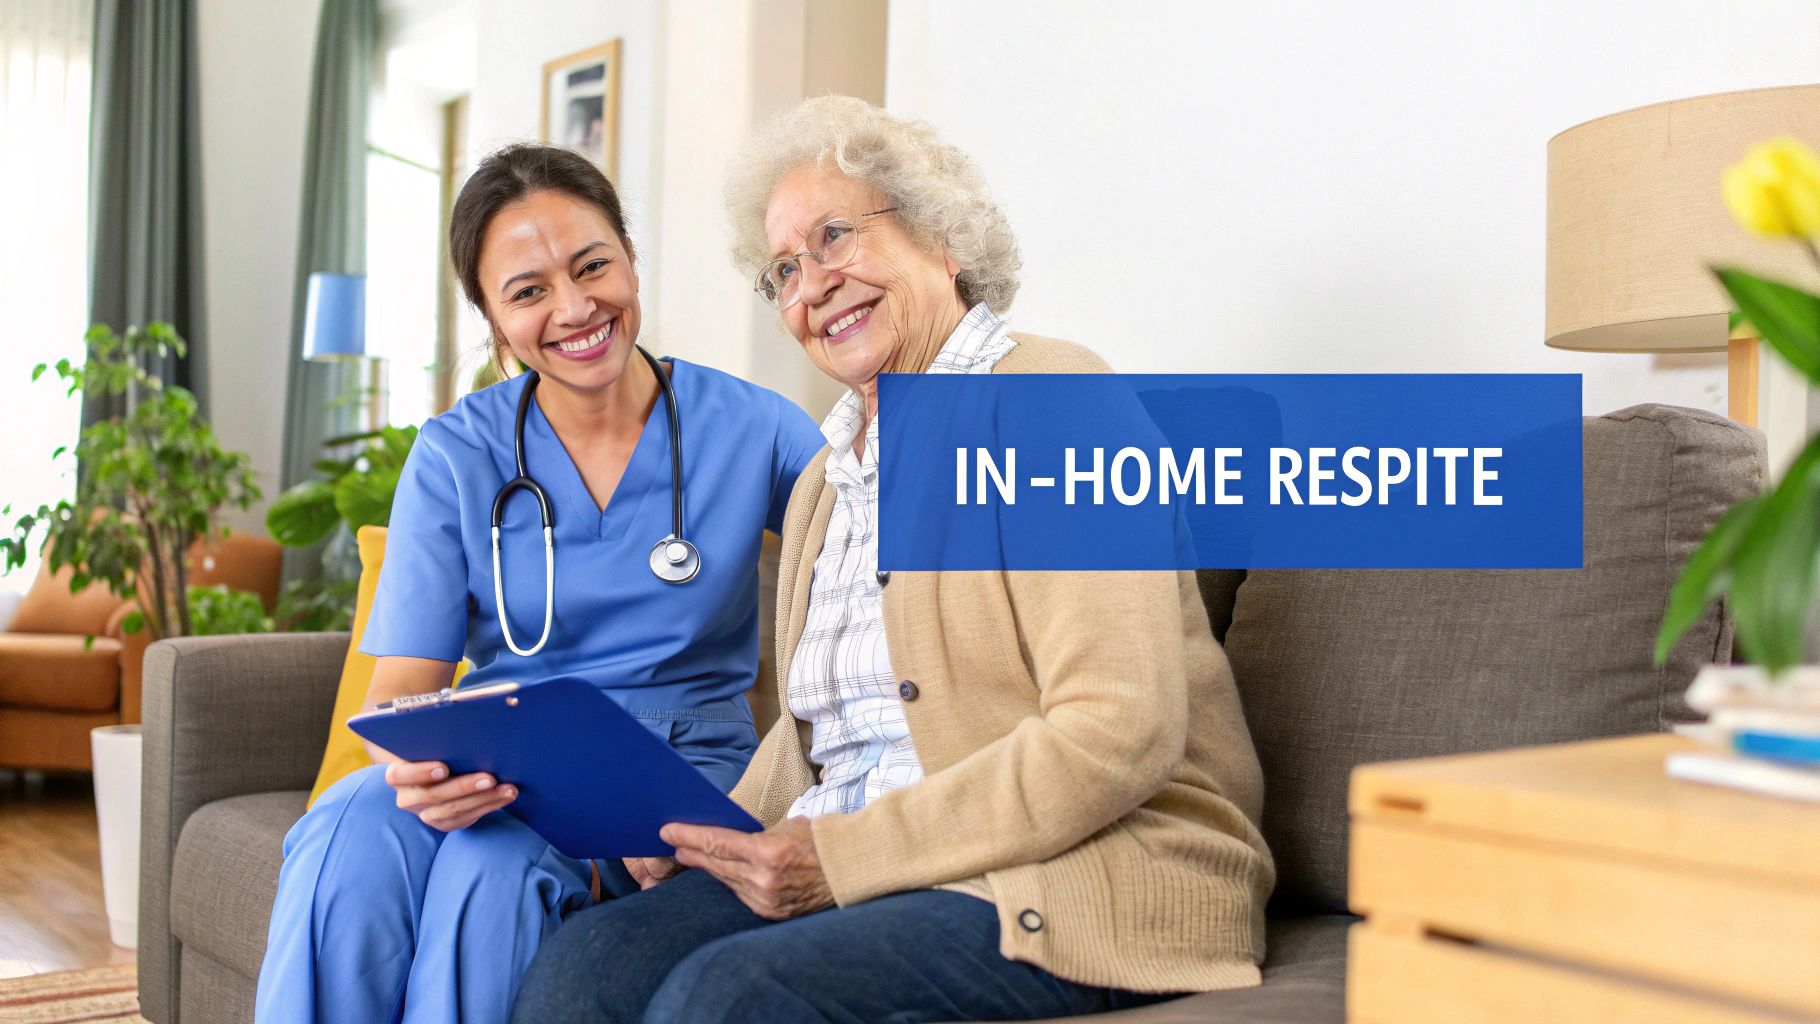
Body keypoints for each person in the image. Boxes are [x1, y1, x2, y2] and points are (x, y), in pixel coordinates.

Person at [511, 97, 1275, 1024]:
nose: (810, 286)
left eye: (834, 238)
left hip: (1074, 869)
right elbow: (817, 748)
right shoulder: (828, 480)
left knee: (728, 1001)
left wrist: (841, 858)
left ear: (942, 238)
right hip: (874, 866)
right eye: (783, 270)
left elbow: (1118, 730)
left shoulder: (1054, 403)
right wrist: (711, 837)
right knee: (579, 975)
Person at [254, 143, 824, 1024]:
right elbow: (400, 696)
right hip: (506, 753)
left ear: (630, 260)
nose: (575, 308)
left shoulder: (753, 427)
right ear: (493, 320)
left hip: (674, 764)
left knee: (493, 871)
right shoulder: (457, 454)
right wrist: (413, 772)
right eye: (527, 292)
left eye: (593, 266)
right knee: (342, 832)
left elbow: (886, 532)